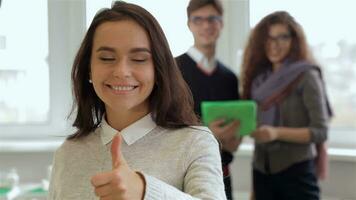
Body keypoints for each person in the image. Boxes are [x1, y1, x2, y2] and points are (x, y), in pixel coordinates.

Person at [48, 1, 227, 199]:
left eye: (139, 59)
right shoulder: (67, 154)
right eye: (107, 58)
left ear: (158, 70)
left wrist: (145, 191)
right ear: (89, 69)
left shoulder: (195, 142)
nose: (122, 72)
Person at [241, 11, 333, 200]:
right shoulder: (258, 81)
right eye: (269, 38)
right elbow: (258, 136)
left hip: (296, 173)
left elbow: (320, 131)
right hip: (261, 173)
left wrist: (276, 133)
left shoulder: (307, 76)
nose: (275, 45)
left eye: (283, 37)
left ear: (294, 41)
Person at [175, 0, 241, 199]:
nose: (206, 26)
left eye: (212, 19)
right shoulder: (173, 70)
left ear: (221, 24)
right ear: (189, 24)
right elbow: (161, 127)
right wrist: (209, 133)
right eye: (198, 20)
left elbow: (234, 144)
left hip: (223, 176)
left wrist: (232, 136)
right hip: (183, 178)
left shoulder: (229, 78)